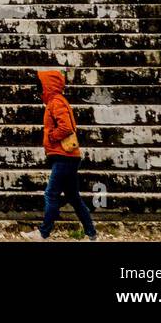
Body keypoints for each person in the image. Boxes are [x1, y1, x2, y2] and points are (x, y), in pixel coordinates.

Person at [22, 69, 98, 241]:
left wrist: (50, 137)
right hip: (67, 157)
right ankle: (91, 234)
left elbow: (66, 128)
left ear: (48, 85)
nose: (39, 88)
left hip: (64, 157)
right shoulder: (55, 101)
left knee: (51, 194)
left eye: (41, 84)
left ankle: (43, 233)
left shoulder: (56, 102)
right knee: (74, 198)